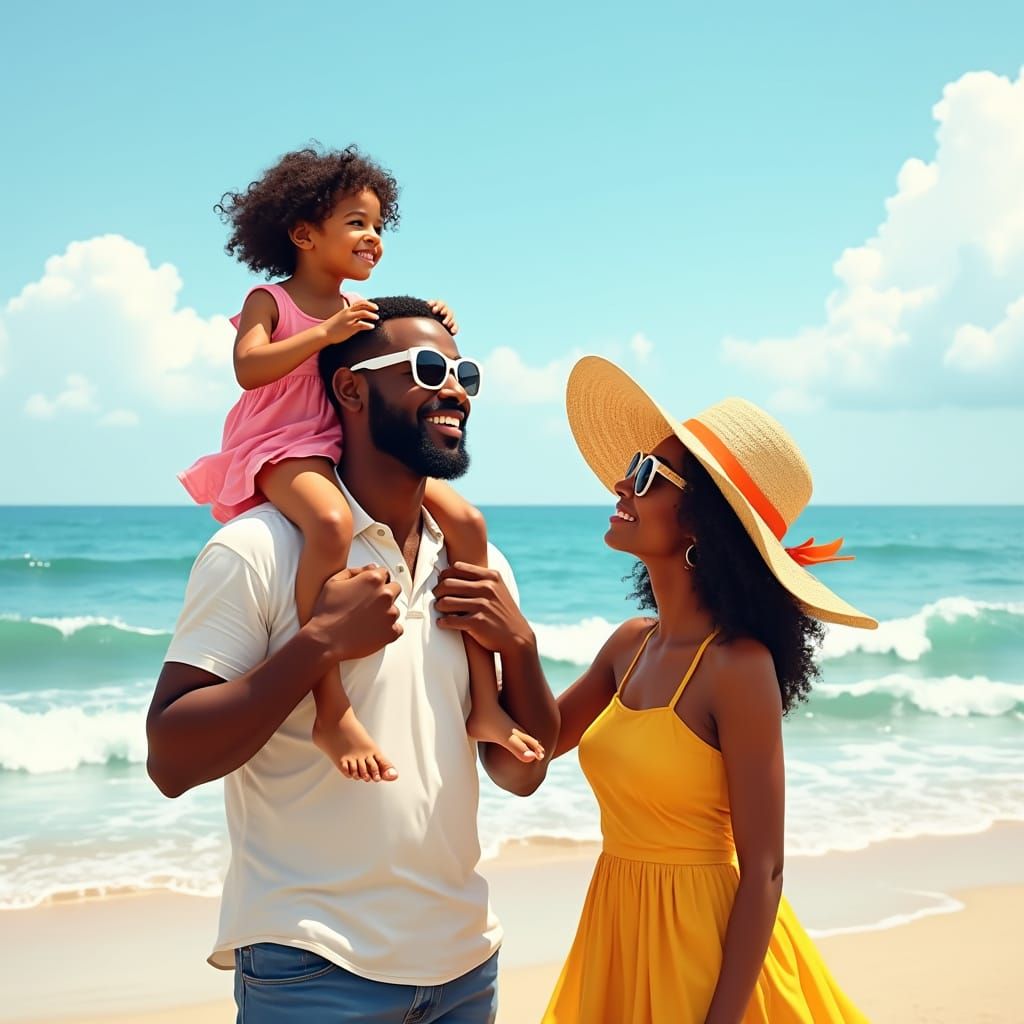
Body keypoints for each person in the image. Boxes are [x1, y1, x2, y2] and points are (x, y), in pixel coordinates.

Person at [148, 297, 558, 1023]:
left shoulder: (476, 561)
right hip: (315, 970)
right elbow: (171, 760)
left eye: (463, 372)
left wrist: (519, 646)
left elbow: (519, 774)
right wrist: (318, 644)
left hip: (466, 965)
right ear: (351, 390)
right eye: (427, 370)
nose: (455, 388)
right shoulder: (260, 550)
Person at [178, 145, 543, 783]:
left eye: (378, 225)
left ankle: (485, 703)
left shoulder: (360, 313)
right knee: (329, 523)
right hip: (281, 445)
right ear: (303, 234)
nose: (372, 237)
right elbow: (248, 369)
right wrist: (324, 334)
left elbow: (393, 340)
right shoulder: (273, 299)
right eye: (355, 222)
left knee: (469, 524)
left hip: (332, 445)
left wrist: (432, 319)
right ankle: (332, 705)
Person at [542, 356, 877, 1024]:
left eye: (645, 475)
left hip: (712, 956)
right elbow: (522, 753)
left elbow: (765, 870)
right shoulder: (629, 646)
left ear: (703, 521)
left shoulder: (736, 666)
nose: (619, 483)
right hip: (617, 932)